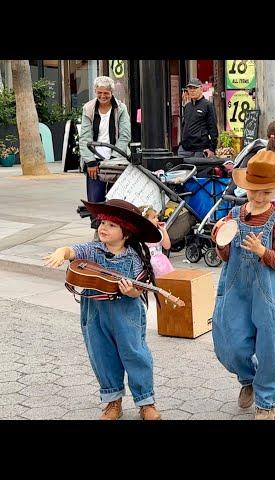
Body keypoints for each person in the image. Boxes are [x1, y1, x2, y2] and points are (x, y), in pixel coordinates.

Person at [44, 199, 162, 421]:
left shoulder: (134, 258)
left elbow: (138, 289)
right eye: (102, 223)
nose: (103, 228)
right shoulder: (92, 249)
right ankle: (112, 401)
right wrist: (62, 251)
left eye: (111, 225)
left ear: (125, 233)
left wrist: (131, 292)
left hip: (126, 313)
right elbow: (72, 250)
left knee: (135, 354)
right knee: (101, 355)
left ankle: (146, 401)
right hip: (95, 312)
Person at [210, 149, 275, 420]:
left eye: (267, 192)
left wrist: (261, 251)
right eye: (254, 190)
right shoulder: (233, 214)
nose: (259, 197)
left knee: (270, 345)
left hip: (268, 289)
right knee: (229, 341)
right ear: (245, 186)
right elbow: (224, 255)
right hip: (236, 287)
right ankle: (248, 378)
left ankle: (266, 401)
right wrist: (220, 242)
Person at [78, 76, 131, 226]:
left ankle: (116, 229)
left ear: (112, 92)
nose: (103, 96)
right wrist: (90, 161)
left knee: (116, 199)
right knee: (95, 200)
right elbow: (85, 137)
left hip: (116, 159)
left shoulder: (121, 108)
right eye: (99, 92)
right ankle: (98, 230)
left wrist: (115, 157)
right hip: (95, 160)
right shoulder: (88, 108)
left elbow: (125, 135)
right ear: (95, 91)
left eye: (106, 93)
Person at [179, 78, 218, 159]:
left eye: (195, 88)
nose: (192, 91)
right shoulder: (187, 106)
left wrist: (212, 148)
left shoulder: (208, 105)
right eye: (190, 88)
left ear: (201, 89)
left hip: (199, 149)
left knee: (199, 171)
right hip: (184, 149)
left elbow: (213, 128)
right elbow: (184, 126)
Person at [139, 205, 175, 277]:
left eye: (157, 217)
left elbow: (167, 246)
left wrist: (164, 231)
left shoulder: (158, 233)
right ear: (145, 221)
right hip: (148, 263)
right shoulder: (140, 235)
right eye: (154, 218)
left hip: (162, 263)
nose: (157, 220)